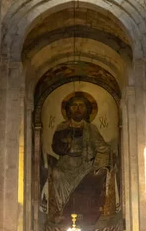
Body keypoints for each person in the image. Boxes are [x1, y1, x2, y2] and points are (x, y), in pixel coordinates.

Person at [47, 94, 111, 223]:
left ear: (86, 109)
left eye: (81, 106)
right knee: (57, 174)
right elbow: (56, 148)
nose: (77, 109)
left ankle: (91, 214)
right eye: (74, 106)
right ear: (69, 109)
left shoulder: (91, 129)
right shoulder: (62, 127)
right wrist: (66, 144)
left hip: (85, 164)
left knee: (96, 175)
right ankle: (61, 210)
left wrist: (102, 160)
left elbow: (102, 147)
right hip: (66, 163)